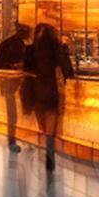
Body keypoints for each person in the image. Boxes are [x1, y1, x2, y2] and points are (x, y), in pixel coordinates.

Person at [23, 22, 75, 171]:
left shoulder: (30, 50)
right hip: (51, 89)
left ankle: (44, 145)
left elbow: (26, 71)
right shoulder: (57, 49)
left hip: (35, 90)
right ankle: (50, 153)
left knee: (42, 125)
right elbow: (67, 69)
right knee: (52, 121)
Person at [0, 22, 30, 153]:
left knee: (12, 112)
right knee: (17, 112)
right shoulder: (20, 45)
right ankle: (17, 139)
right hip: (15, 83)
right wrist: (16, 69)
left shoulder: (6, 43)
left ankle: (13, 139)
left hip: (8, 82)